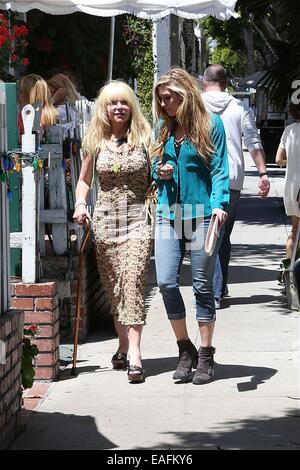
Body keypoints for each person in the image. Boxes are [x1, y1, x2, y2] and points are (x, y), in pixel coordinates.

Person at [151, 68, 229, 384]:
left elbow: (220, 170)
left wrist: (218, 206)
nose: (165, 103)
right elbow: (155, 169)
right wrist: (161, 172)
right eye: (161, 99)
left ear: (186, 94)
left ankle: (206, 355)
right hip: (168, 214)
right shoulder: (163, 127)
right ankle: (185, 349)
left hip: (202, 215)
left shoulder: (212, 125)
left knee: (201, 284)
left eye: (170, 97)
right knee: (167, 282)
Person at [73, 80, 152, 383]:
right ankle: (122, 345)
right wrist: (81, 203)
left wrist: (164, 172)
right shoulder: (94, 142)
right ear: (104, 108)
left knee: (132, 281)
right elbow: (84, 180)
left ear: (131, 106)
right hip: (105, 224)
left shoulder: (145, 139)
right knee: (115, 289)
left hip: (137, 220)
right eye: (112, 103)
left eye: (124, 102)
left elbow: (158, 172)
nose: (119, 107)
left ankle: (135, 354)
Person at [202, 64, 270, 307]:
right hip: (232, 179)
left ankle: (215, 291)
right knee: (223, 234)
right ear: (226, 83)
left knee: (208, 234)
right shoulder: (239, 107)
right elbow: (253, 140)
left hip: (203, 177)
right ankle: (220, 286)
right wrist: (263, 173)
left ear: (203, 81)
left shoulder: (195, 105)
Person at [276, 101, 300, 260]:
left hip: (291, 186)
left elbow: (278, 159)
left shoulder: (289, 130)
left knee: (295, 229)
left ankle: (290, 271)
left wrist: (291, 162)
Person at [17, 73, 58, 137]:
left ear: (29, 96)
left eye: (21, 92)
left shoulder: (28, 116)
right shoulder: (52, 113)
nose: (18, 96)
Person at [47, 73, 80, 139]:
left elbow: (42, 117)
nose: (48, 96)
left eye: (51, 92)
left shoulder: (62, 110)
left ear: (62, 92)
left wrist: (53, 100)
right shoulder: (71, 107)